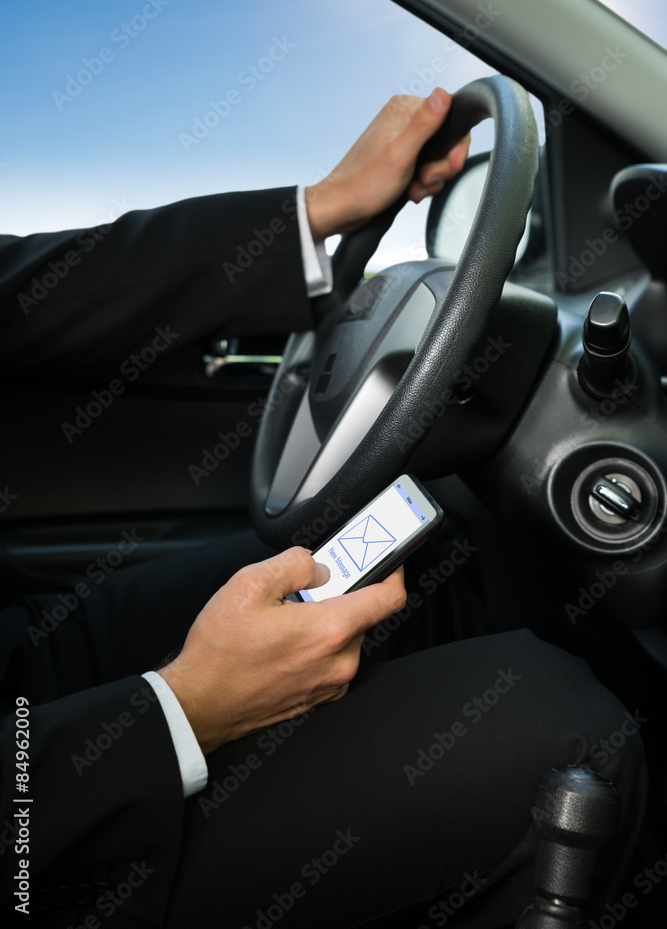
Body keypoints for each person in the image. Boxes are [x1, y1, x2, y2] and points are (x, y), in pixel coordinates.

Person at [0, 89, 646, 928]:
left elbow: (20, 294)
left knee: (434, 563)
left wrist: (316, 210)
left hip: (24, 674)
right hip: (33, 841)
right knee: (566, 736)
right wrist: (182, 711)